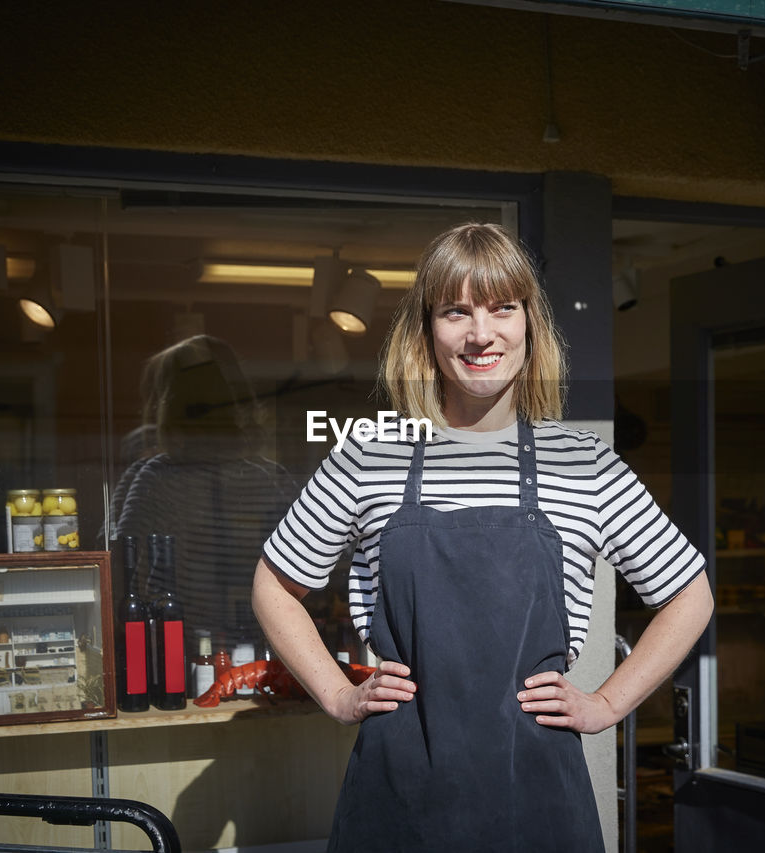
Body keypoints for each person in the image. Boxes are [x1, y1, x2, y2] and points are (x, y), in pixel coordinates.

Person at [253, 223, 713, 852]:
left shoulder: (583, 463)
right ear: (426, 329)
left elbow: (691, 596)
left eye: (503, 308)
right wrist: (337, 695)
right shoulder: (371, 453)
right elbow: (274, 588)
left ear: (530, 323)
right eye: (455, 312)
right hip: (400, 797)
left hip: (540, 797)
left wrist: (606, 705)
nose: (480, 334)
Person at [114, 335, 298, 647]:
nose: (211, 419)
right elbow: (118, 574)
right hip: (190, 650)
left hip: (248, 649)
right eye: (200, 408)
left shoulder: (269, 479)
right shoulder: (154, 479)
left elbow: (119, 577)